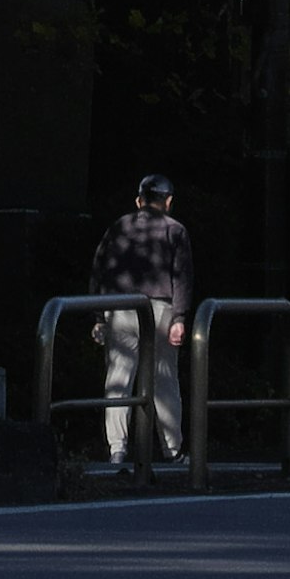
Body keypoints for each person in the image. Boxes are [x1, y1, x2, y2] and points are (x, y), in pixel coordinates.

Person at [93, 165, 193, 466]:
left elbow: (100, 271)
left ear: (139, 200)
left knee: (118, 378)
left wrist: (98, 316)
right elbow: (183, 277)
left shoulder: (118, 228)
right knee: (164, 379)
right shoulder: (175, 229)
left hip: (120, 307)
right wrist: (180, 318)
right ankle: (172, 449)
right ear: (168, 201)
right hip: (161, 308)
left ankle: (117, 449)